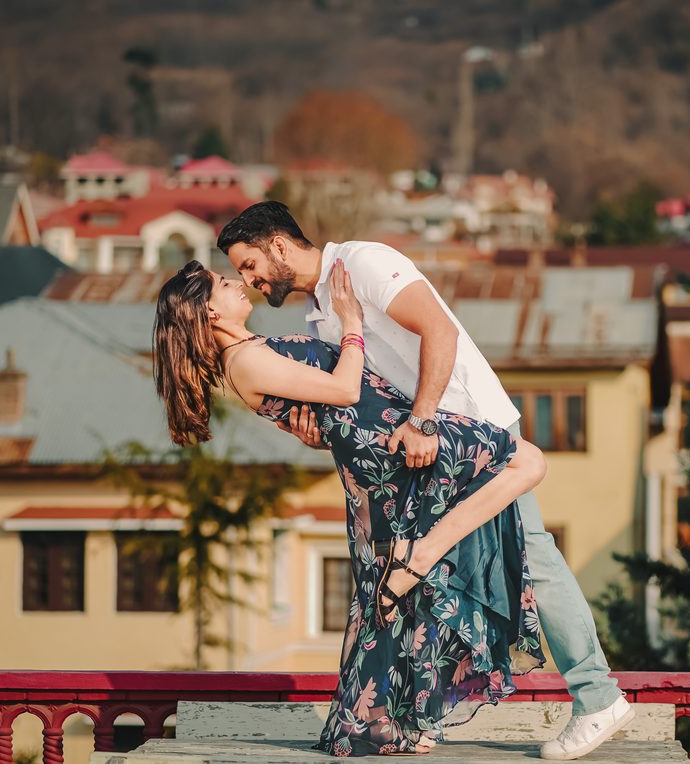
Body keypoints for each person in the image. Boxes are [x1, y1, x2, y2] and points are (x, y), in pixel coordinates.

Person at [218, 201, 634, 761]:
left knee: (530, 557)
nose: (250, 280)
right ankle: (420, 718)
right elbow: (359, 399)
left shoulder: (363, 263)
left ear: (278, 245)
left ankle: (598, 697)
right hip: (426, 460)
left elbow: (439, 329)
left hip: (463, 432)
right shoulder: (322, 313)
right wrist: (318, 430)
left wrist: (422, 420)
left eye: (249, 265)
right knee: (442, 578)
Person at [152, 259, 548, 756]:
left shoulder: (251, 351)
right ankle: (421, 557)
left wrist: (317, 429)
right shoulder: (243, 361)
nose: (238, 284)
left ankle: (400, 721)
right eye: (225, 283)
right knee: (527, 462)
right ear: (209, 311)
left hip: (376, 438)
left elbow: (328, 408)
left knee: (398, 599)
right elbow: (345, 390)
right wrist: (352, 323)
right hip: (386, 441)